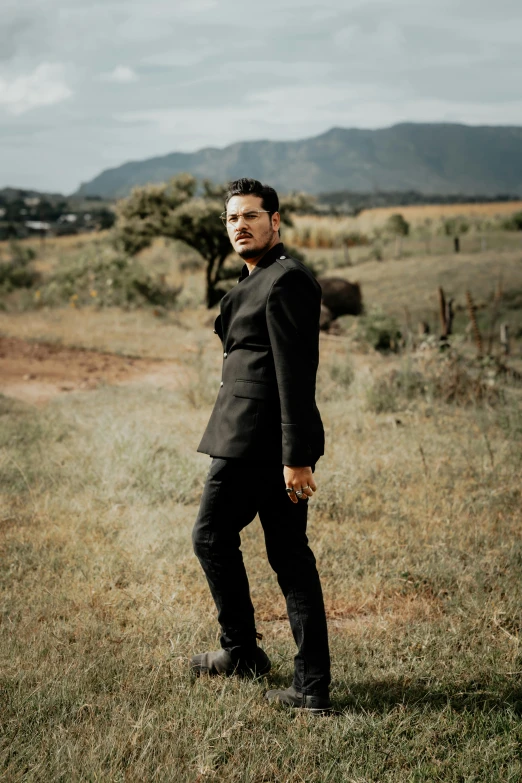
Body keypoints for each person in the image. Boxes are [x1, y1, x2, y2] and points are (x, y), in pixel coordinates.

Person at [191, 178, 331, 713]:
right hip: (250, 437)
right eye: (232, 218)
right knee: (289, 557)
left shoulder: (287, 281)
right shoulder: (255, 280)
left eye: (251, 215)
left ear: (276, 221)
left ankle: (245, 653)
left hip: (259, 444)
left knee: (212, 537)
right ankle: (308, 687)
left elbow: (296, 376)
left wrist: (295, 458)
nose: (240, 225)